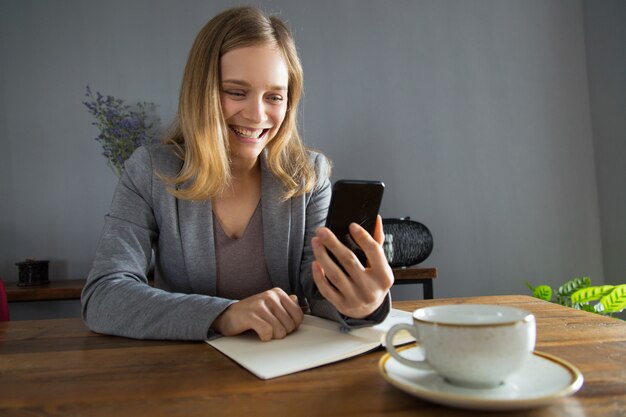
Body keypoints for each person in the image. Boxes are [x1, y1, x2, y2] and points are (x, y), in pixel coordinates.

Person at [81, 6, 394, 341]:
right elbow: (104, 295)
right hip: (183, 372)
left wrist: (363, 305)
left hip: (282, 369)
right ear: (201, 91)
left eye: (274, 96)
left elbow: (315, 290)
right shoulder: (151, 171)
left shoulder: (308, 176)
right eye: (235, 92)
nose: (257, 114)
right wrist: (223, 315)